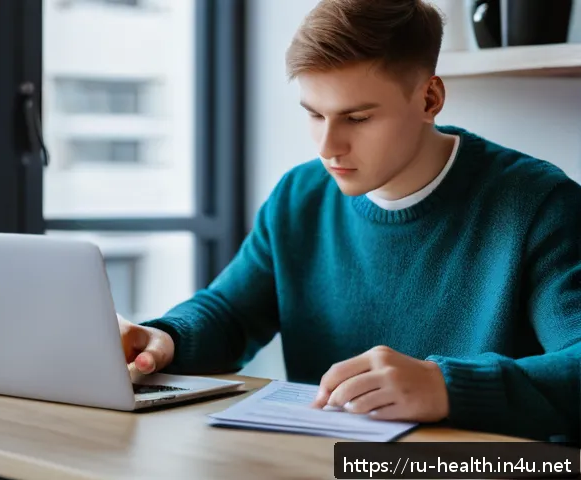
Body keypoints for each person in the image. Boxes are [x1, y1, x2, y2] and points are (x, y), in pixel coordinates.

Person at [119, 0, 580, 443]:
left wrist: (445, 386)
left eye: (356, 118)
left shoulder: (539, 204)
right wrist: (165, 338)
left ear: (430, 98)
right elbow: (230, 314)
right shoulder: (299, 196)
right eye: (314, 114)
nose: (327, 147)